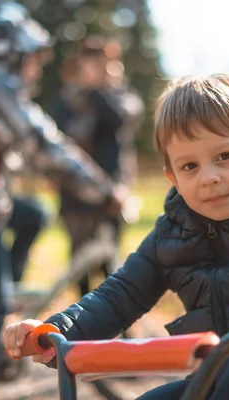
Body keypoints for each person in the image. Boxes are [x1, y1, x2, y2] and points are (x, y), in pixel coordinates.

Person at [4, 73, 229, 399]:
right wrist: (57, 329)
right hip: (221, 376)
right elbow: (119, 295)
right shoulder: (172, 234)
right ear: (172, 177)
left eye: (224, 156)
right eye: (190, 166)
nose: (208, 177)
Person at [0, 14, 127, 400]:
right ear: (17, 56)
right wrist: (103, 189)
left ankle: (8, 291)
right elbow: (44, 144)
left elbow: (25, 149)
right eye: (34, 59)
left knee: (35, 214)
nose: (37, 69)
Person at [51, 35, 144, 297]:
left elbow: (120, 119)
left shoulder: (120, 95)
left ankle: (120, 329)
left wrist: (98, 92)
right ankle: (85, 327)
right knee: (79, 265)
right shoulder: (67, 99)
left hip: (112, 195)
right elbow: (60, 136)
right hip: (75, 196)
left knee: (111, 265)